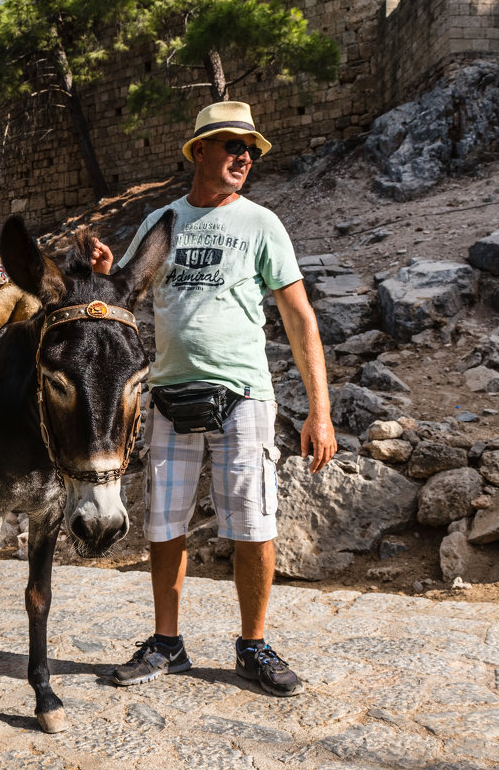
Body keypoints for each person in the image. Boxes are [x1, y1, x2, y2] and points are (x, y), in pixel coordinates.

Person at [90, 100, 336, 697]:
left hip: (244, 394)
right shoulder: (160, 223)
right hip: (169, 393)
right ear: (199, 151)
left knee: (252, 525)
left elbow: (301, 319)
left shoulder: (262, 224)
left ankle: (253, 646)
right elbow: (122, 290)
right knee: (163, 524)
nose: (244, 156)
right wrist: (102, 269)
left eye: (249, 148)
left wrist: (319, 411)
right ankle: (166, 645)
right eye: (232, 145)